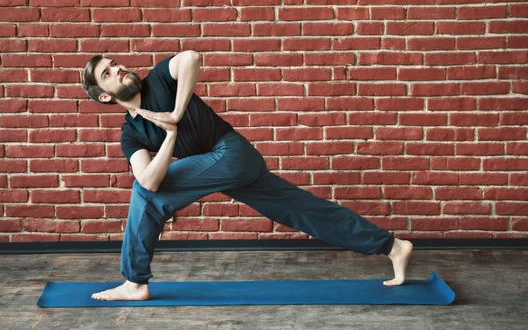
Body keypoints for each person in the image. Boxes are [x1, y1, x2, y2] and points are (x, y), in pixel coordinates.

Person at [80, 51, 413, 301]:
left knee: (145, 197)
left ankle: (135, 282)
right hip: (224, 168)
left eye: (115, 63)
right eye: (107, 73)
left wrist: (177, 113)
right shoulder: (131, 135)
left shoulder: (159, 79)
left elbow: (191, 58)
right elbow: (148, 178)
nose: (118, 68)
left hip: (233, 154)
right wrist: (169, 135)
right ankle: (393, 246)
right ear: (104, 95)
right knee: (303, 210)